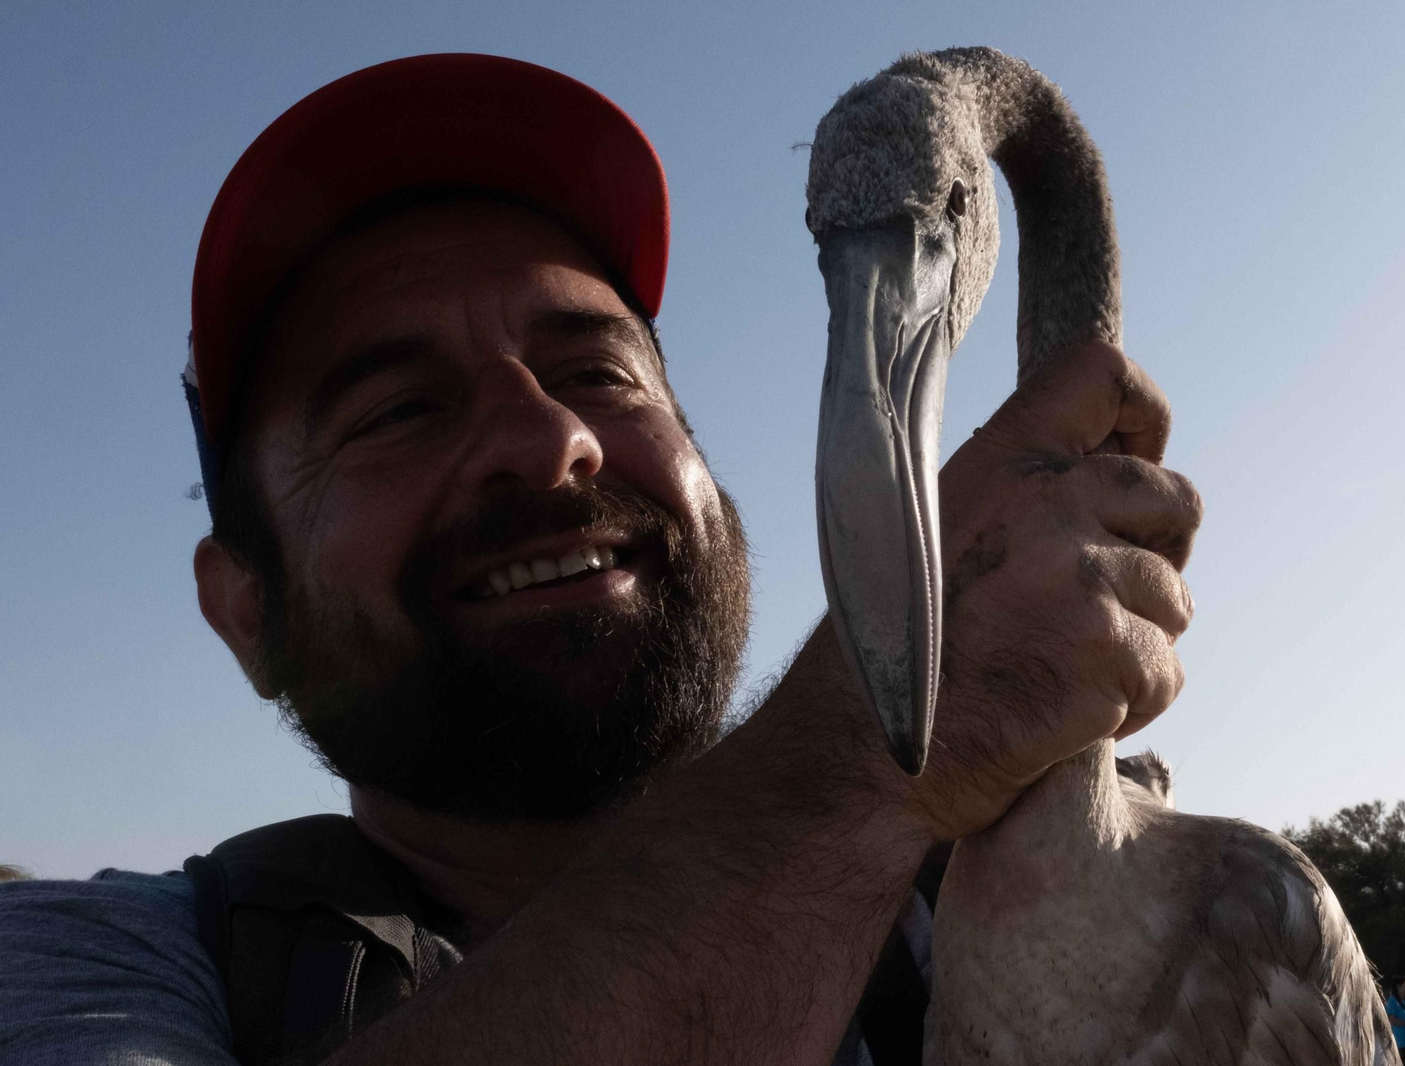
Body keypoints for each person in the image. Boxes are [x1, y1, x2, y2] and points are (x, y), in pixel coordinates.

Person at [0, 54, 1201, 1064]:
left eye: (598, 373)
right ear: (241, 609)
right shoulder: (95, 967)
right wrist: (865, 768)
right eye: (397, 411)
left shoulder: (1142, 936)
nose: (551, 440)